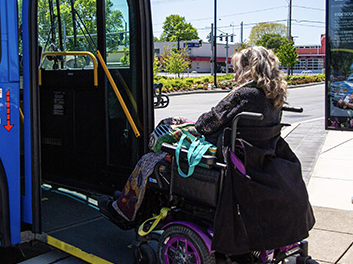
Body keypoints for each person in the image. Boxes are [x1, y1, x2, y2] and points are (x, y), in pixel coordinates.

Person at [98, 46, 288, 229]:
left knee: (149, 160)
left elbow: (205, 124)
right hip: (251, 156)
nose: (234, 75)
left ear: (248, 69)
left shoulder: (245, 94)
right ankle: (136, 202)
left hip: (219, 156)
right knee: (172, 121)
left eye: (236, 70)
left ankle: (123, 211)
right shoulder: (272, 96)